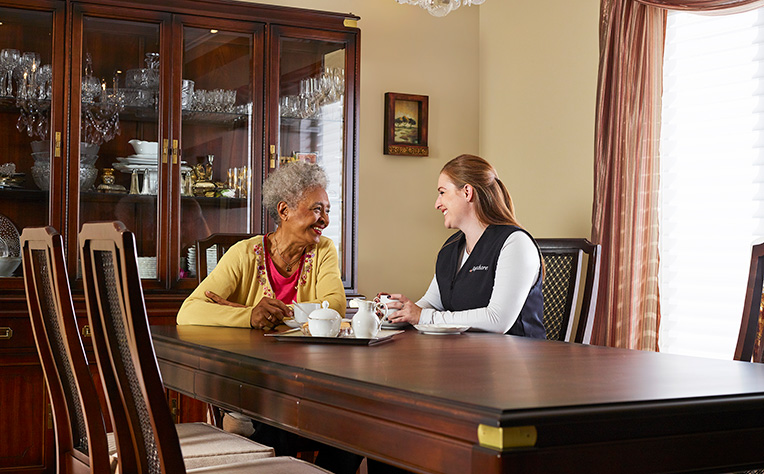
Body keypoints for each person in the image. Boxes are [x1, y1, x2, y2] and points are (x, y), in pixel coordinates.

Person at [177, 161, 362, 474]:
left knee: (357, 429)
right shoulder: (244, 253)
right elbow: (189, 311)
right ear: (285, 210)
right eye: (318, 209)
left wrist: (261, 313)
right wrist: (250, 315)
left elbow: (335, 306)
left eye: (328, 210)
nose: (326, 220)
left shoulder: (324, 250)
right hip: (256, 387)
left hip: (307, 383)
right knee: (284, 426)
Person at [382, 154, 546, 337]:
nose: (437, 204)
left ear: (467, 192)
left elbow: (498, 320)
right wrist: (396, 313)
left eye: (442, 192)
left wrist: (423, 316)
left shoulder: (515, 243)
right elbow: (431, 303)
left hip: (516, 361)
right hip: (467, 358)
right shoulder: (451, 248)